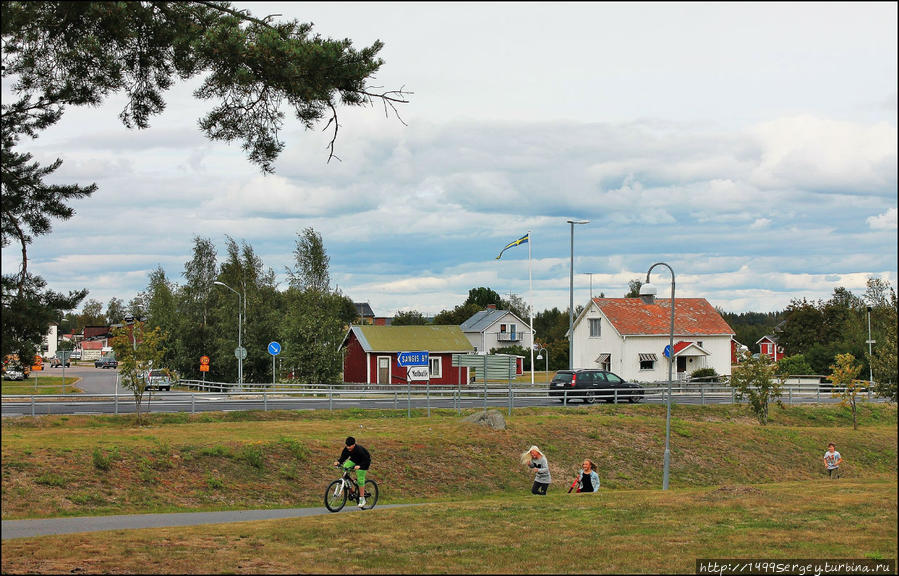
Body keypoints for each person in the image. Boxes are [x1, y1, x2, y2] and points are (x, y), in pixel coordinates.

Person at [334, 436, 371, 507]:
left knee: (360, 479)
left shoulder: (359, 450)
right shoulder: (347, 449)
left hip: (364, 462)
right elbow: (343, 457)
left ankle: (362, 499)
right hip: (354, 460)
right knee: (345, 466)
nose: (348, 448)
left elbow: (367, 460)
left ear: (354, 444)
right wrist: (338, 462)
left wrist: (360, 466)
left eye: (350, 446)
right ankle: (352, 488)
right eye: (347, 446)